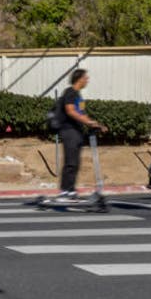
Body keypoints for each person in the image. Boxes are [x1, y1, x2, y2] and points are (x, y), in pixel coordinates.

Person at [57, 68, 104, 200]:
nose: (87, 80)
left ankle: (70, 189)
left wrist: (95, 124)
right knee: (70, 162)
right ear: (80, 79)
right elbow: (70, 111)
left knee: (76, 162)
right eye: (86, 78)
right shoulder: (70, 92)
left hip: (77, 131)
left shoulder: (78, 95)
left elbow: (82, 113)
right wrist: (88, 123)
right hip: (69, 130)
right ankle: (64, 191)